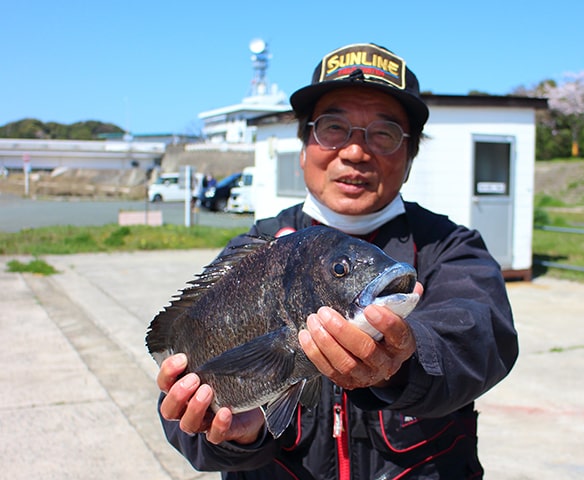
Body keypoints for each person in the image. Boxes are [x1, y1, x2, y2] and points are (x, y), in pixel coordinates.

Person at [155, 42, 518, 479]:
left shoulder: (451, 247)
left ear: (409, 157)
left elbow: (482, 337)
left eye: (384, 134)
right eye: (332, 128)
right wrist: (233, 434)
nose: (355, 152)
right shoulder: (254, 251)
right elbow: (182, 396)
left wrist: (402, 359)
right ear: (304, 146)